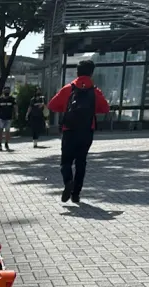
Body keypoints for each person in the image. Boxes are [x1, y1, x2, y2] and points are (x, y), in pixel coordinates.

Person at [47, 59, 111, 203]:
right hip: (87, 130)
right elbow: (105, 109)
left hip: (69, 130)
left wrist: (65, 109)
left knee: (66, 162)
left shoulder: (68, 89)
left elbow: (52, 105)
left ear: (77, 72)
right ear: (91, 73)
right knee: (81, 162)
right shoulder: (95, 91)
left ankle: (68, 181)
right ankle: (76, 194)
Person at [0, 87, 16, 151]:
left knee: (7, 131)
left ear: (9, 92)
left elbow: (15, 106)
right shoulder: (0, 99)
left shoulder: (12, 99)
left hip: (8, 117)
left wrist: (16, 113)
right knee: (0, 131)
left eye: (7, 91)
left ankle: (6, 143)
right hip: (1, 117)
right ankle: (0, 144)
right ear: (3, 92)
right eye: (5, 91)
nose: (6, 92)